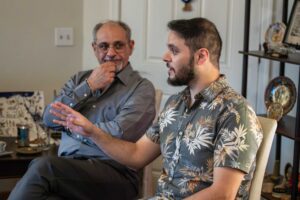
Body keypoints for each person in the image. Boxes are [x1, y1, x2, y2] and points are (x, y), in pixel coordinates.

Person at [50, 17, 263, 199]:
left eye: (174, 50)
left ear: (201, 56)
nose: (165, 57)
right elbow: (136, 154)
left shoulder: (235, 111)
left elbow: (223, 194)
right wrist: (92, 131)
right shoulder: (176, 104)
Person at [8, 20, 156, 200]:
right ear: (94, 48)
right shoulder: (80, 79)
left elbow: (118, 133)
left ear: (130, 47)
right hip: (68, 171)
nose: (111, 53)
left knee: (43, 167)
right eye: (103, 46)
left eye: (118, 45)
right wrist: (89, 85)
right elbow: (48, 118)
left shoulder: (141, 88)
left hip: (115, 174)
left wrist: (74, 128)